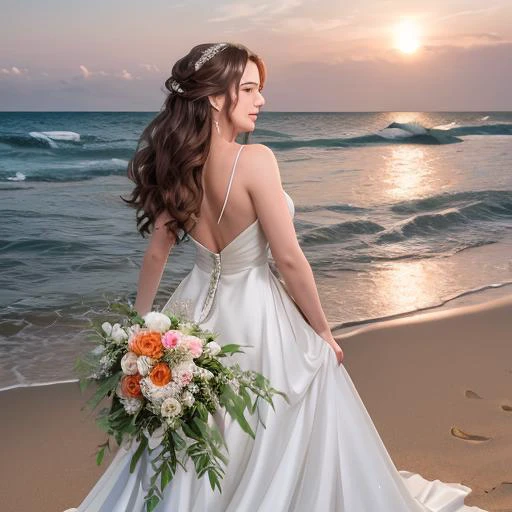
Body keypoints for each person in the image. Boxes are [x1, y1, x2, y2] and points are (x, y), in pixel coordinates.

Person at [66, 42, 485, 511]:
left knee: (195, 425)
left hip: (191, 310)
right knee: (279, 407)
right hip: (257, 312)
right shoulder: (256, 160)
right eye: (247, 89)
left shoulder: (177, 165)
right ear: (213, 98)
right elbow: (288, 259)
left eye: (259, 89)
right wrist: (322, 330)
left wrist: (141, 329)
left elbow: (156, 255)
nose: (260, 100)